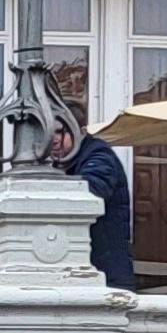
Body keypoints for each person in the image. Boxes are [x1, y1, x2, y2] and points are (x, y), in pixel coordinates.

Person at [47, 121, 132, 286]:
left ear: (81, 132)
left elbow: (90, 193)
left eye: (60, 131)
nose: (54, 139)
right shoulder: (68, 163)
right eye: (49, 133)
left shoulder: (99, 155)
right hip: (90, 269)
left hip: (105, 272)